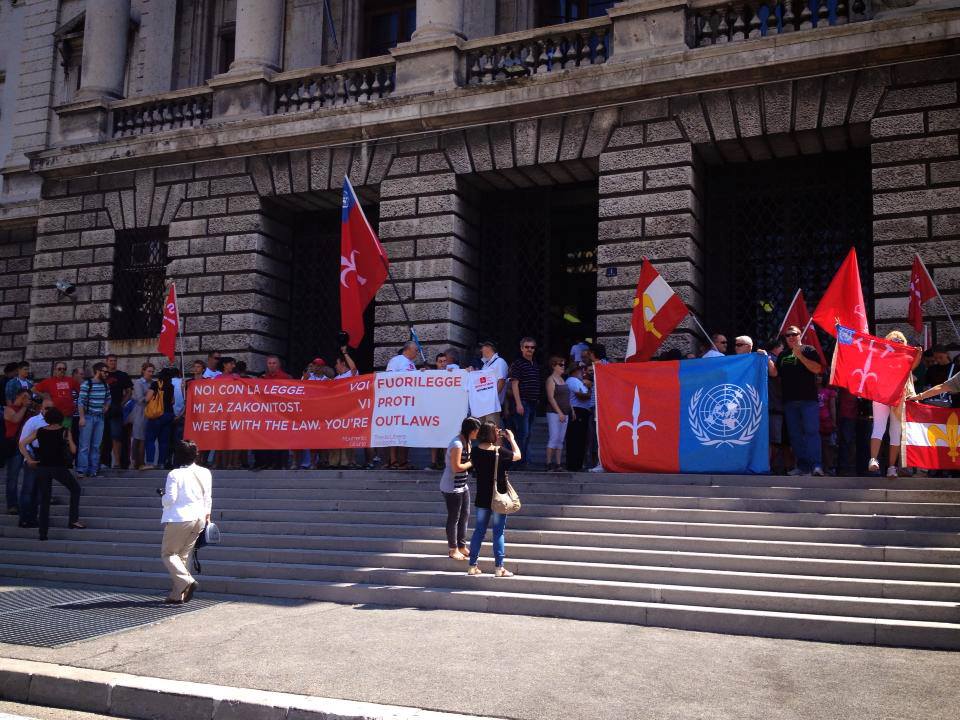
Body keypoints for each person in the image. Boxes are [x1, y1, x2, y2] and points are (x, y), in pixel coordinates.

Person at [19, 407, 84, 541]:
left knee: (44, 500)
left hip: (42, 467)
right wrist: (69, 437)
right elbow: (73, 450)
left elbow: (22, 443)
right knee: (75, 489)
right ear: (60, 418)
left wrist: (29, 459)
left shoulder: (40, 431)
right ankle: (73, 520)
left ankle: (43, 533)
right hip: (58, 467)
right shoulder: (64, 431)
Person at [160, 440, 212, 604]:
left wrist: (162, 497)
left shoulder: (174, 474)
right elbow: (207, 497)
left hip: (179, 518)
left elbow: (170, 499)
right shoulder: (205, 472)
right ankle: (177, 595)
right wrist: (207, 516)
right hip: (199, 518)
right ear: (196, 455)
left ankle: (187, 582)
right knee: (182, 556)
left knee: (168, 554)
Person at [467, 422, 521, 577]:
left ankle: (472, 566)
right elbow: (518, 456)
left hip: (482, 497)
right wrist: (511, 439)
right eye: (497, 431)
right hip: (499, 497)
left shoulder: (475, 451)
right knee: (498, 533)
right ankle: (499, 568)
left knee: (479, 531)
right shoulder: (499, 451)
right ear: (493, 434)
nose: (498, 434)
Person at [867, 330, 922, 477]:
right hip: (882, 395)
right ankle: (873, 459)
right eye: (893, 340)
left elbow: (911, 367)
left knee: (896, 431)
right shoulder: (881, 356)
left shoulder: (906, 358)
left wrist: (918, 354)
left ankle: (892, 467)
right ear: (887, 342)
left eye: (900, 340)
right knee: (879, 426)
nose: (897, 342)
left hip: (899, 397)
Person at [775, 325, 824, 477]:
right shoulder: (782, 355)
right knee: (795, 436)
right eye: (787, 335)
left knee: (811, 433)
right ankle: (803, 467)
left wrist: (800, 356)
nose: (790, 337)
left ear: (800, 335)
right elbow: (775, 373)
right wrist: (763, 357)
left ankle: (816, 466)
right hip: (789, 402)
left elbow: (817, 369)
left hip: (808, 401)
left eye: (794, 334)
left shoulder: (809, 350)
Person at [440, 416, 480, 561]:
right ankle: (453, 549)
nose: (478, 434)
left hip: (462, 485)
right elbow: (457, 467)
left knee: (465, 514)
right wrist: (472, 462)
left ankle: (462, 546)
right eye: (477, 431)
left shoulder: (467, 441)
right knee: (454, 517)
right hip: (451, 487)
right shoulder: (457, 444)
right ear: (471, 430)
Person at [18, 394, 55, 529]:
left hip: (46, 460)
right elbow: (22, 442)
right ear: (41, 408)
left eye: (52, 408)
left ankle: (33, 518)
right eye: (47, 408)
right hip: (32, 456)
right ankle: (24, 518)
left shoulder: (54, 423)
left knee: (39, 492)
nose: (49, 410)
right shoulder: (33, 421)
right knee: (28, 490)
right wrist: (28, 458)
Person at [254, 356, 292, 471]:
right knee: (267, 440)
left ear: (279, 365)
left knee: (281, 440)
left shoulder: (286, 378)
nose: (271, 365)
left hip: (281, 414)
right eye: (269, 363)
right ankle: (268, 463)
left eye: (274, 363)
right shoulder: (263, 378)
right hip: (266, 415)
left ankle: (282, 463)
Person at [385, 342, 418, 470]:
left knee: (406, 432)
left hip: (409, 403)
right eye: (415, 350)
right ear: (408, 349)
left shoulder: (412, 364)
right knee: (394, 432)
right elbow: (389, 378)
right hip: (396, 403)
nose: (416, 353)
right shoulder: (396, 360)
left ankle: (403, 461)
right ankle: (393, 460)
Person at [508, 337, 540, 467]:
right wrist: (519, 403)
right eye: (527, 347)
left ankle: (525, 461)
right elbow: (514, 384)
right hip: (524, 403)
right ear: (521, 348)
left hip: (533, 403)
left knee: (528, 434)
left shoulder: (535, 364)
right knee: (523, 434)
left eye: (532, 347)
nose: (530, 350)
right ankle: (519, 462)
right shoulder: (517, 363)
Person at [3, 388, 32, 514]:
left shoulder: (29, 411)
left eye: (29, 398)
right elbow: (15, 419)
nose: (27, 400)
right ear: (18, 396)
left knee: (29, 477)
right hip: (14, 446)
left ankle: (27, 502)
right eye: (25, 397)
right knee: (12, 477)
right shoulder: (9, 409)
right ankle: (12, 504)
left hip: (28, 447)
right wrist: (24, 407)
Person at [102, 354, 133, 470]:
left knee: (116, 436)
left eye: (114, 361)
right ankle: (104, 462)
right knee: (103, 437)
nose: (113, 363)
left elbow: (129, 391)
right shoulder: (102, 375)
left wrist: (121, 403)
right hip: (102, 409)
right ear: (106, 361)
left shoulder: (122, 375)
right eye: (110, 361)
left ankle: (117, 462)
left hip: (116, 409)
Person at [144, 367, 177, 471]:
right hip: (168, 415)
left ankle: (149, 462)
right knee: (164, 442)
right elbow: (172, 402)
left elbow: (147, 398)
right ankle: (161, 463)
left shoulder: (155, 384)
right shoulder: (171, 386)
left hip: (156, 415)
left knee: (150, 440)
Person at [33, 362, 80, 430]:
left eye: (64, 369)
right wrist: (45, 397)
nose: (62, 370)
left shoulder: (71, 380)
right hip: (54, 414)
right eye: (59, 369)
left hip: (67, 414)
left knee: (66, 433)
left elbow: (81, 391)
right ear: (55, 370)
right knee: (55, 432)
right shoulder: (49, 381)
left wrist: (74, 400)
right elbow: (34, 389)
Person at [544, 355, 570, 472]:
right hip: (554, 413)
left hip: (565, 412)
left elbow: (566, 397)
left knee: (560, 439)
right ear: (554, 366)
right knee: (554, 437)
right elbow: (551, 398)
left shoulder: (562, 379)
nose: (563, 367)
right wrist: (559, 412)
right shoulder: (551, 380)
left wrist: (571, 409)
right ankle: (549, 463)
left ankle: (558, 464)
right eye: (561, 365)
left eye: (564, 364)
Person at [565, 365, 593, 472]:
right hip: (577, 411)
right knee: (576, 438)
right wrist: (591, 391)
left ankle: (578, 464)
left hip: (583, 411)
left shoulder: (580, 382)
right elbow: (580, 395)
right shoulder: (572, 380)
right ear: (575, 371)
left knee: (581, 439)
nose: (583, 372)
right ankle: (573, 464)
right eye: (581, 370)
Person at [129, 363, 154, 471]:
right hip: (140, 412)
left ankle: (140, 462)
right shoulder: (138, 383)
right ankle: (137, 462)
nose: (151, 373)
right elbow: (140, 399)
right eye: (149, 371)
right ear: (143, 371)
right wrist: (149, 395)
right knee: (138, 438)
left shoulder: (153, 383)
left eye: (152, 371)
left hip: (151, 413)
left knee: (144, 438)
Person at [478, 340, 509, 427]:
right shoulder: (486, 364)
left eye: (482, 348)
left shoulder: (500, 362)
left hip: (493, 405)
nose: (481, 350)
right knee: (485, 432)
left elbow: (501, 381)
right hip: (484, 404)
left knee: (494, 433)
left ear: (489, 348)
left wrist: (492, 398)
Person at [817, 376, 838, 476]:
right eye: (816, 376)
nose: (818, 378)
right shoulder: (811, 391)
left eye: (820, 376)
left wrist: (833, 421)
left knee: (827, 445)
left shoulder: (829, 391)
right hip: (815, 422)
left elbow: (832, 407)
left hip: (826, 422)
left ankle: (829, 467)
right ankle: (818, 466)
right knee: (817, 444)